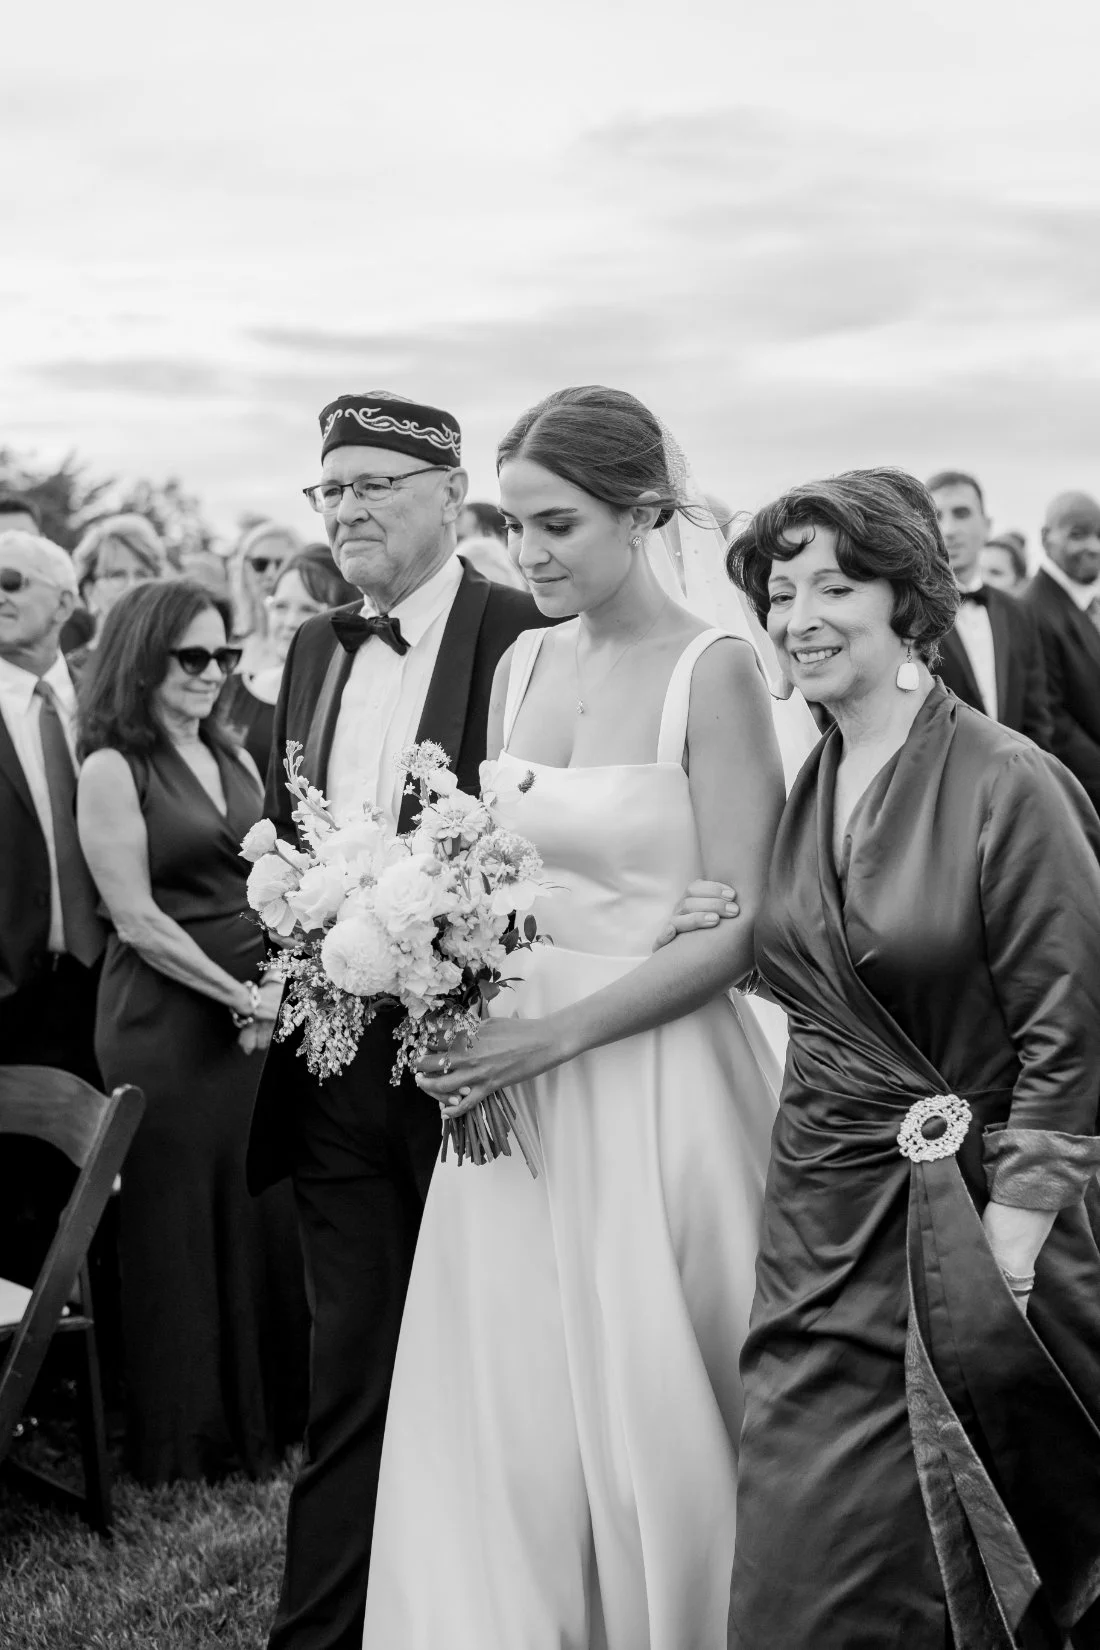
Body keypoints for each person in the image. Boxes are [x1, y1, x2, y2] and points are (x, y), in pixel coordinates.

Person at [363, 385, 786, 1650]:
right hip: (505, 1089)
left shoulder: (713, 672)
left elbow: (739, 923)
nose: (529, 553)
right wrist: (437, 974)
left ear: (641, 513)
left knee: (654, 1385)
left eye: (558, 525)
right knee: (513, 1395)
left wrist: (545, 1036)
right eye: (515, 524)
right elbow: (489, 872)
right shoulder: (520, 662)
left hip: (650, 1079)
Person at [669, 467, 1100, 1647]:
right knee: (794, 1563)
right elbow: (843, 984)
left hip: (967, 1235)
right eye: (777, 590)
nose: (795, 614)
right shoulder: (805, 783)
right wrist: (732, 937)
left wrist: (1007, 1246)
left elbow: (1069, 1030)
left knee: (953, 1556)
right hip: (817, 1221)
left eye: (831, 585)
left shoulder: (1007, 783)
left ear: (909, 602)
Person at [247, 391, 543, 1650]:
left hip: (479, 1068)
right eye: (333, 488)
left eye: (376, 483)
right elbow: (287, 817)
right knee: (351, 1362)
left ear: (449, 491)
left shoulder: (527, 632)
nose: (349, 508)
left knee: (493, 1359)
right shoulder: (316, 646)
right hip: (329, 1075)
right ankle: (320, 1631)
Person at [76, 579, 308, 1484]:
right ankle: (188, 1439)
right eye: (194, 658)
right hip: (166, 1023)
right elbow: (133, 919)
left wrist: (279, 988)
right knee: (179, 1221)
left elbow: (278, 884)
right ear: (143, 658)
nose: (216, 675)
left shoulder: (238, 753)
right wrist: (237, 998)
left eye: (227, 656)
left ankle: (273, 1419)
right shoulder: (112, 767)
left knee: (259, 1211)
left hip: (255, 1013)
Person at [0, 529, 106, 1280]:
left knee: (103, 1190)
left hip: (110, 981)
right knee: (13, 1194)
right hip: (10, 986)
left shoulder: (105, 696)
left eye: (11, 579)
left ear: (66, 600)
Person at [927, 470, 1051, 745]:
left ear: (987, 525)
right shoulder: (909, 614)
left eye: (962, 513)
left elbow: (1038, 715)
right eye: (936, 516)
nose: (948, 529)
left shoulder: (1018, 612)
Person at [220, 545, 358, 774]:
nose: (290, 621)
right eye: (281, 606)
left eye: (308, 609)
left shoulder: (351, 705)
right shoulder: (230, 690)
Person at [1022, 491, 1100, 815]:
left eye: (1099, 535)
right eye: (1077, 535)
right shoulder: (1034, 610)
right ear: (1045, 538)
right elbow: (1054, 721)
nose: (1093, 547)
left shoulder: (1087, 604)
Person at [71, 514, 168, 653]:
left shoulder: (176, 664)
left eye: (142, 575)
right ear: (89, 590)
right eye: (117, 575)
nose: (132, 586)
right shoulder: (70, 673)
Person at [230, 521, 303, 676]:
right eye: (260, 564)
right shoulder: (229, 637)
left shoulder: (304, 638)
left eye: (281, 563)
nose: (271, 574)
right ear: (244, 568)